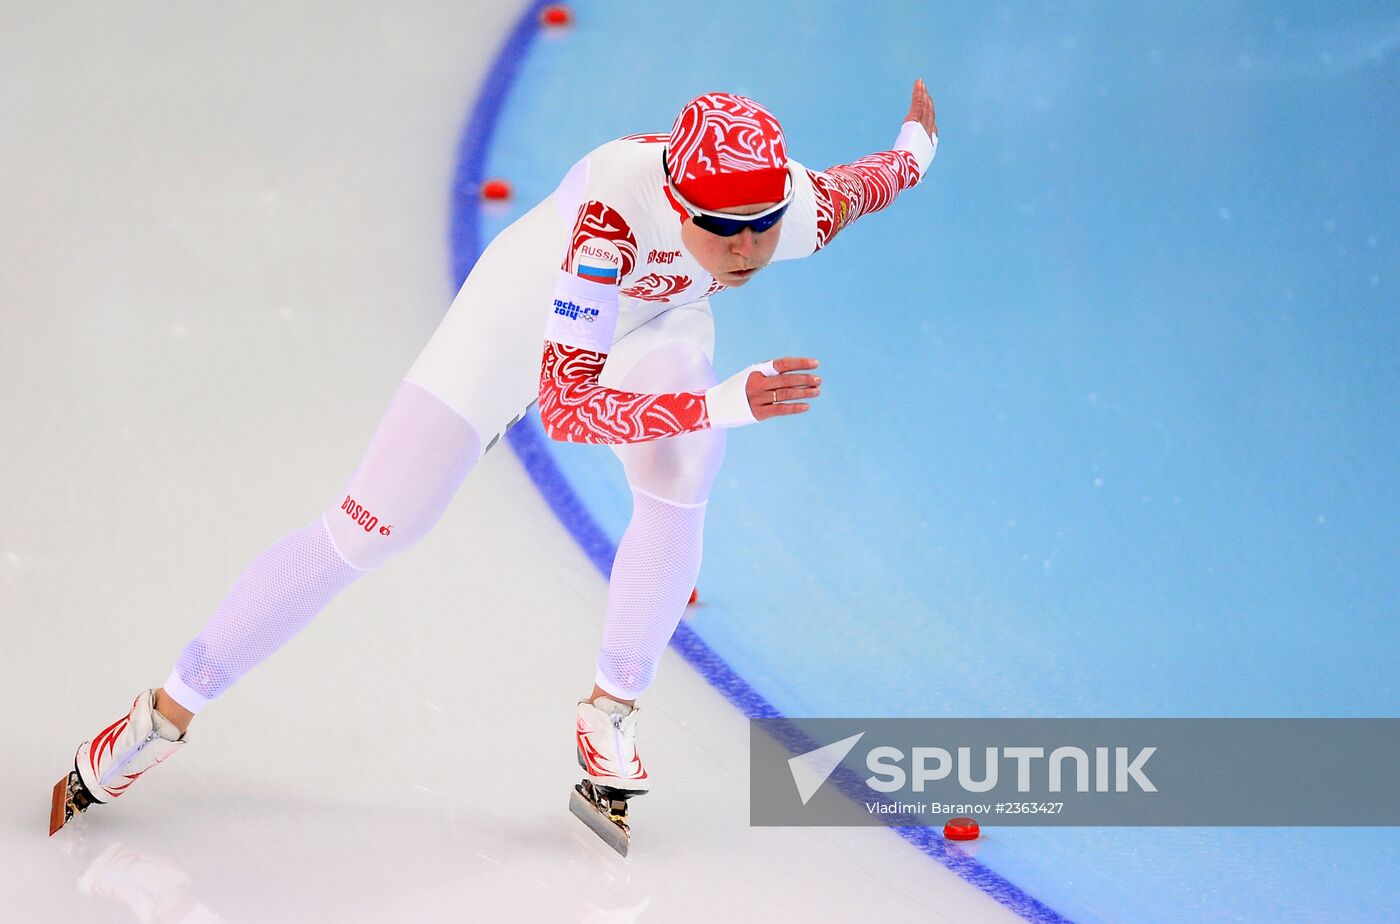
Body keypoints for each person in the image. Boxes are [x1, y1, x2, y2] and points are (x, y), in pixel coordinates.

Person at [51, 80, 939, 832]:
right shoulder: (609, 225)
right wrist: (722, 402)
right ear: (676, 200)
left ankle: (610, 715)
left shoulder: (786, 212)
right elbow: (568, 407)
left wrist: (916, 146)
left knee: (683, 465)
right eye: (721, 227)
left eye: (763, 222)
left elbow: (869, 184)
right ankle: (158, 718)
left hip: (652, 330)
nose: (746, 248)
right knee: (370, 528)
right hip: (515, 329)